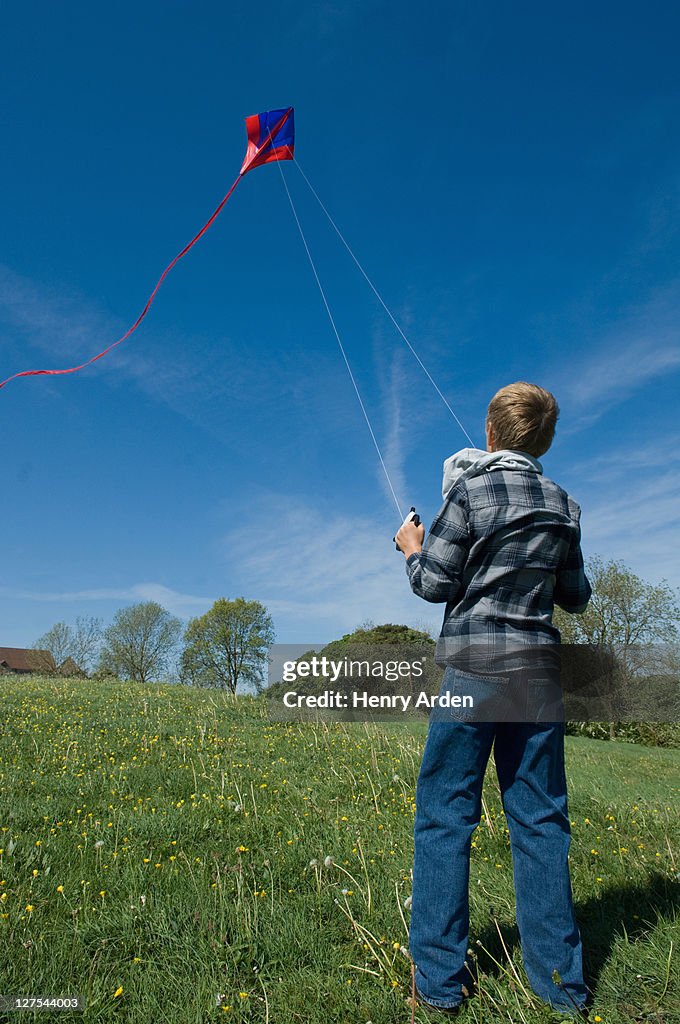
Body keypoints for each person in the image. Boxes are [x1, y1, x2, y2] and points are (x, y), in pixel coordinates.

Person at [395, 381, 591, 1017]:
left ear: (490, 431)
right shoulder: (565, 504)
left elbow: (432, 584)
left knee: (446, 815)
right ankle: (561, 989)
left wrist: (412, 548)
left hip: (473, 670)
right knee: (540, 822)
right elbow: (577, 595)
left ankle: (440, 983)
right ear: (546, 440)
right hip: (537, 674)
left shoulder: (468, 492)